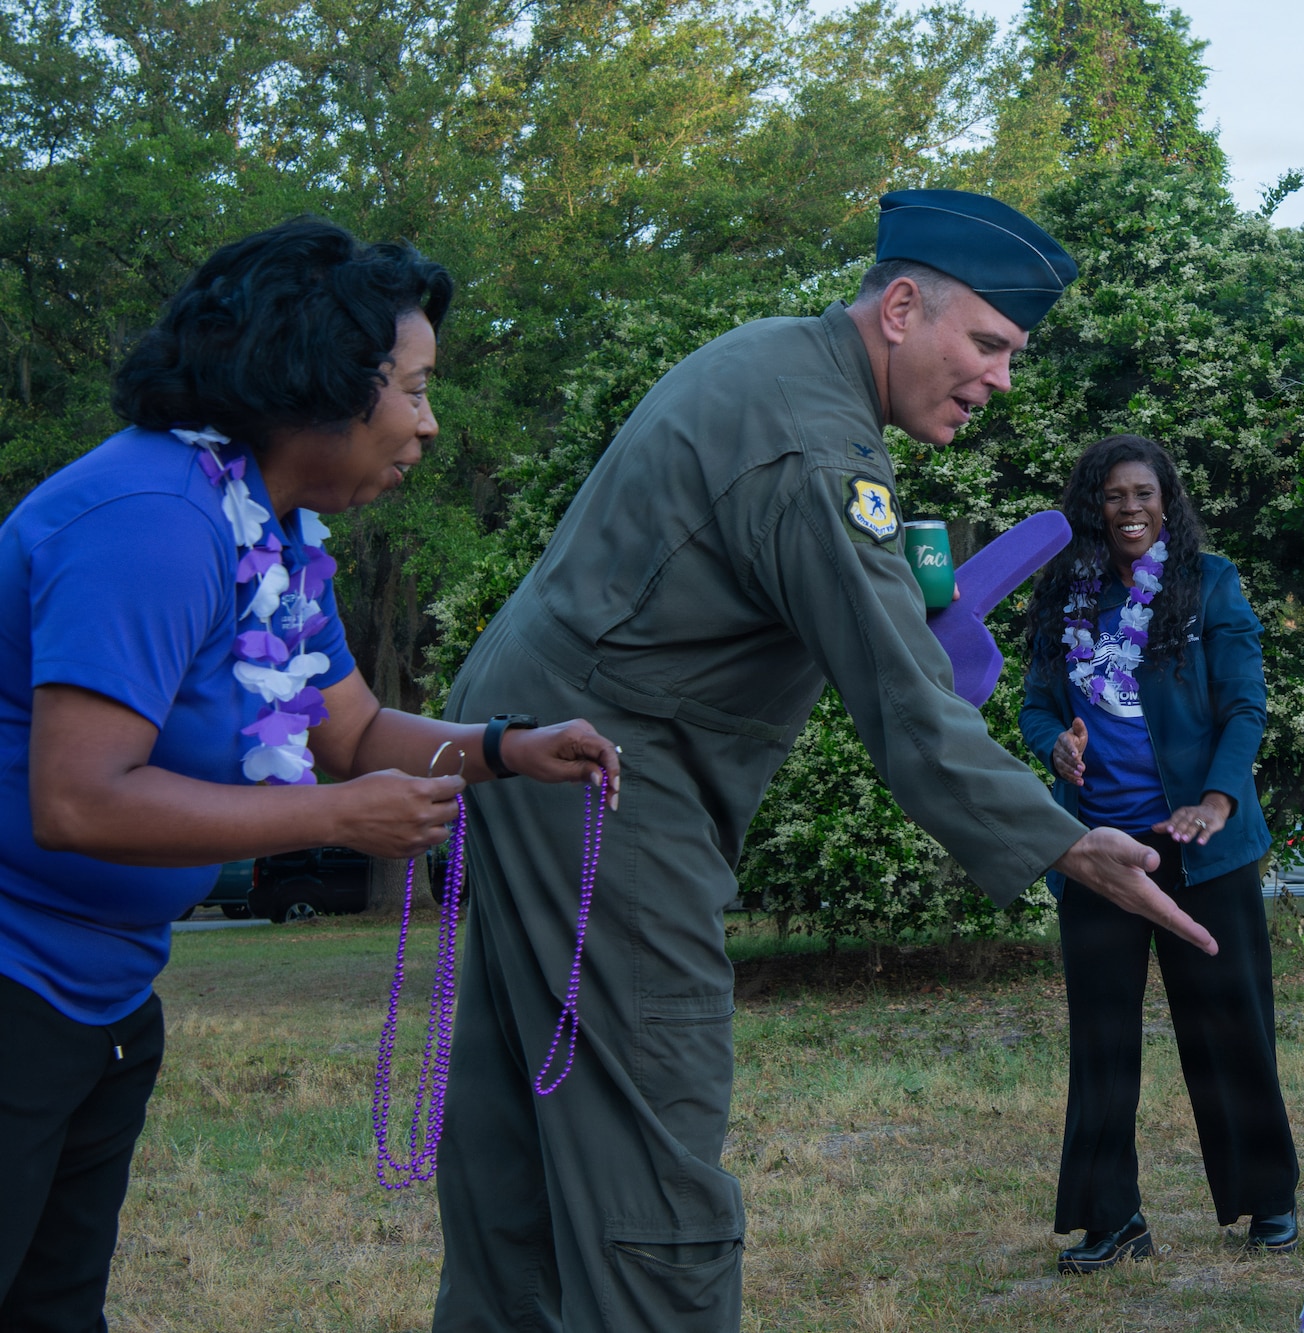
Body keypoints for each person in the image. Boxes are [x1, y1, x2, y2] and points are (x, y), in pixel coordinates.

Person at [432, 191, 1216, 1332]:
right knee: (653, 1136)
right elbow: (907, 706)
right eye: (987, 344)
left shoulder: (775, 364)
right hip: (606, 775)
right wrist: (1062, 839)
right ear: (901, 308)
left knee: (518, 1126)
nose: (1001, 380)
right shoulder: (818, 448)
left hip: (525, 745)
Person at [0, 217, 619, 1331]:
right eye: (414, 390)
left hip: (103, 997)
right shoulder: (152, 523)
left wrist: (506, 749)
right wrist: (332, 818)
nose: (428, 423)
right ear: (324, 378)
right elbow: (79, 798)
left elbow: (354, 732)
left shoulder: (273, 538)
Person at [1019, 435, 1298, 1272]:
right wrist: (1054, 744)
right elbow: (1036, 706)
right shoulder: (1064, 593)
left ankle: (1268, 1197)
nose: (1130, 507)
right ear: (1092, 507)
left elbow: (1245, 706)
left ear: (1166, 501)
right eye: (1113, 494)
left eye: (1144, 492)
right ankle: (1112, 1219)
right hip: (1097, 849)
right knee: (1101, 1037)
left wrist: (1216, 800)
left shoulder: (1209, 583)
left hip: (1201, 845)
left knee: (1227, 1021)